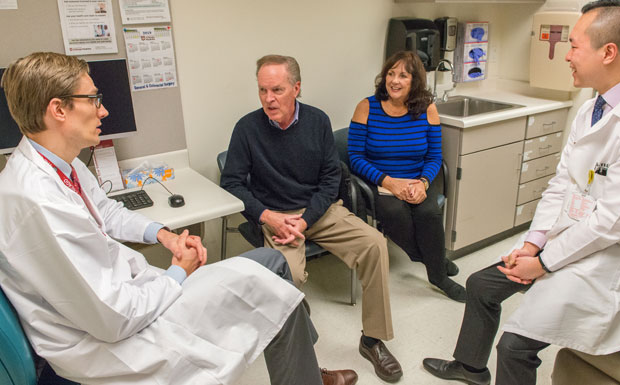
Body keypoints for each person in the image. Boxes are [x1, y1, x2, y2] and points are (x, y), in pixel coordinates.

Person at [0, 52, 357, 385]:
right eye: (93, 99)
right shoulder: (37, 201)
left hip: (132, 296)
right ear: (58, 109)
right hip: (113, 338)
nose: (104, 111)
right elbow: (113, 318)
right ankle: (308, 371)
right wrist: (178, 272)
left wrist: (164, 235)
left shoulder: (64, 164)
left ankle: (306, 367)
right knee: (272, 275)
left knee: (272, 273)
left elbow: (106, 212)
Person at [422, 1, 620, 384]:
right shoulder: (593, 106)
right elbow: (562, 183)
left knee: (514, 347)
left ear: (608, 52)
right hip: (569, 237)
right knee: (481, 284)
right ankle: (469, 368)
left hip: (613, 258)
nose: (567, 55)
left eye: (575, 45)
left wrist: (542, 264)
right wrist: (533, 242)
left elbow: (611, 224)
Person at [220, 54, 403, 382]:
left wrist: (306, 220)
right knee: (285, 279)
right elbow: (231, 182)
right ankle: (307, 366)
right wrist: (267, 217)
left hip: (318, 211)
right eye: (262, 90)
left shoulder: (317, 122)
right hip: (275, 216)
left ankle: (373, 340)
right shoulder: (247, 128)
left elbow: (331, 179)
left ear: (296, 88)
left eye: (276, 89)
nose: (268, 99)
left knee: (375, 244)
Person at [348, 51, 465, 302]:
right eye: (391, 74)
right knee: (395, 214)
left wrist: (423, 183)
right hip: (381, 181)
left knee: (428, 213)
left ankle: (437, 275)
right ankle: (434, 263)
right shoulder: (366, 107)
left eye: (403, 75)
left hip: (417, 178)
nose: (395, 81)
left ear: (415, 81)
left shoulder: (427, 110)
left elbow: (434, 158)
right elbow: (355, 158)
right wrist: (389, 181)